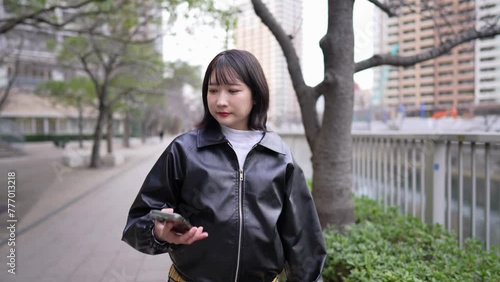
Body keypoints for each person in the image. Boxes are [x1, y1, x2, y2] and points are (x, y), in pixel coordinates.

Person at [122, 49, 326, 282]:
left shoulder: (279, 156)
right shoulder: (184, 150)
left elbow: (304, 239)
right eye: (213, 90)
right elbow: (137, 221)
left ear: (256, 94)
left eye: (233, 90)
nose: (220, 100)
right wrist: (157, 232)